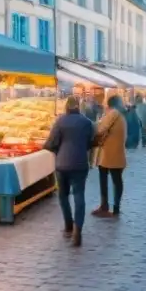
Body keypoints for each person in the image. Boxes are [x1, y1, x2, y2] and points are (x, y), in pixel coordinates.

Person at [43, 96, 95, 246]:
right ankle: (78, 230)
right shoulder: (87, 122)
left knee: (63, 195)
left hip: (62, 164)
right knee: (79, 196)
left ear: (66, 107)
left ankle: (68, 224)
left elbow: (51, 142)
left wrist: (55, 149)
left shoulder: (60, 121)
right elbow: (91, 142)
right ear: (78, 107)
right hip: (80, 164)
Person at [92, 95, 127, 218]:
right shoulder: (119, 115)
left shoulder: (113, 113)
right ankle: (112, 206)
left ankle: (106, 206)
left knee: (111, 180)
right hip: (114, 154)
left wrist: (95, 124)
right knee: (116, 181)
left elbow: (100, 129)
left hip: (109, 154)